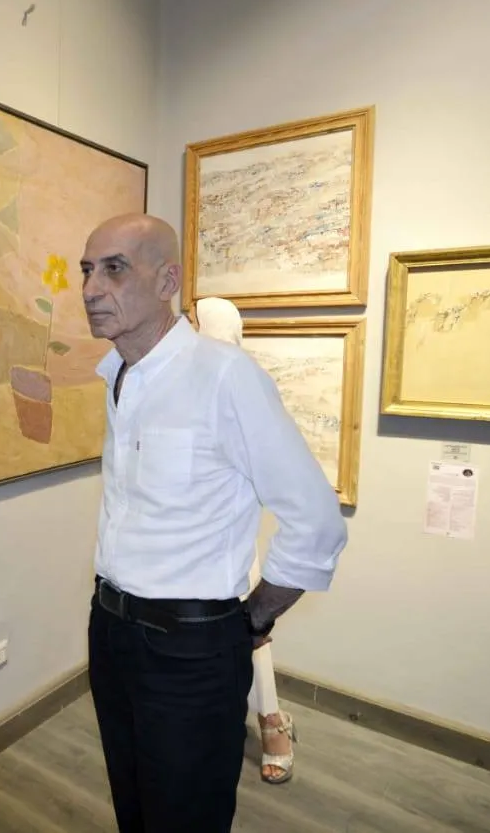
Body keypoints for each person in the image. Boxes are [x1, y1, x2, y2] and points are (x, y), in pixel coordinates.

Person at [81, 213, 347, 832]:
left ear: (167, 280)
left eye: (114, 269)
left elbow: (316, 523)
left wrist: (250, 620)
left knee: (186, 818)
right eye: (87, 271)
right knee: (133, 806)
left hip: (191, 650)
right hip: (111, 632)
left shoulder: (226, 376)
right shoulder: (119, 375)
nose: (91, 289)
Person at [195, 296, 297, 786]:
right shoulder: (181, 386)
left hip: (233, 539)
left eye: (196, 322)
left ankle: (272, 722)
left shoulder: (249, 389)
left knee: (250, 635)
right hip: (188, 543)